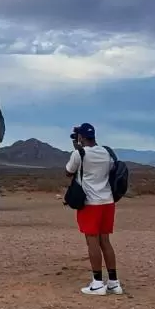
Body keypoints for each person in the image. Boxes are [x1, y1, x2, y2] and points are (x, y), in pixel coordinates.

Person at [65, 123, 123, 295]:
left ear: (81, 137)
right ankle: (113, 282)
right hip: (108, 201)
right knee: (105, 240)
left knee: (92, 241)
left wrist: (77, 151)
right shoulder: (106, 152)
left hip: (90, 203)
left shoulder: (79, 154)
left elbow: (69, 172)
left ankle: (97, 282)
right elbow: (111, 170)